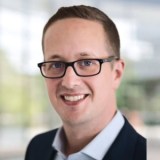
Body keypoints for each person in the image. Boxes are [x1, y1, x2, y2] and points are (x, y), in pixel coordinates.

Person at [25, 5, 146, 160]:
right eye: (56, 65)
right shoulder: (37, 147)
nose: (69, 82)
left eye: (87, 63)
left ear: (116, 74)